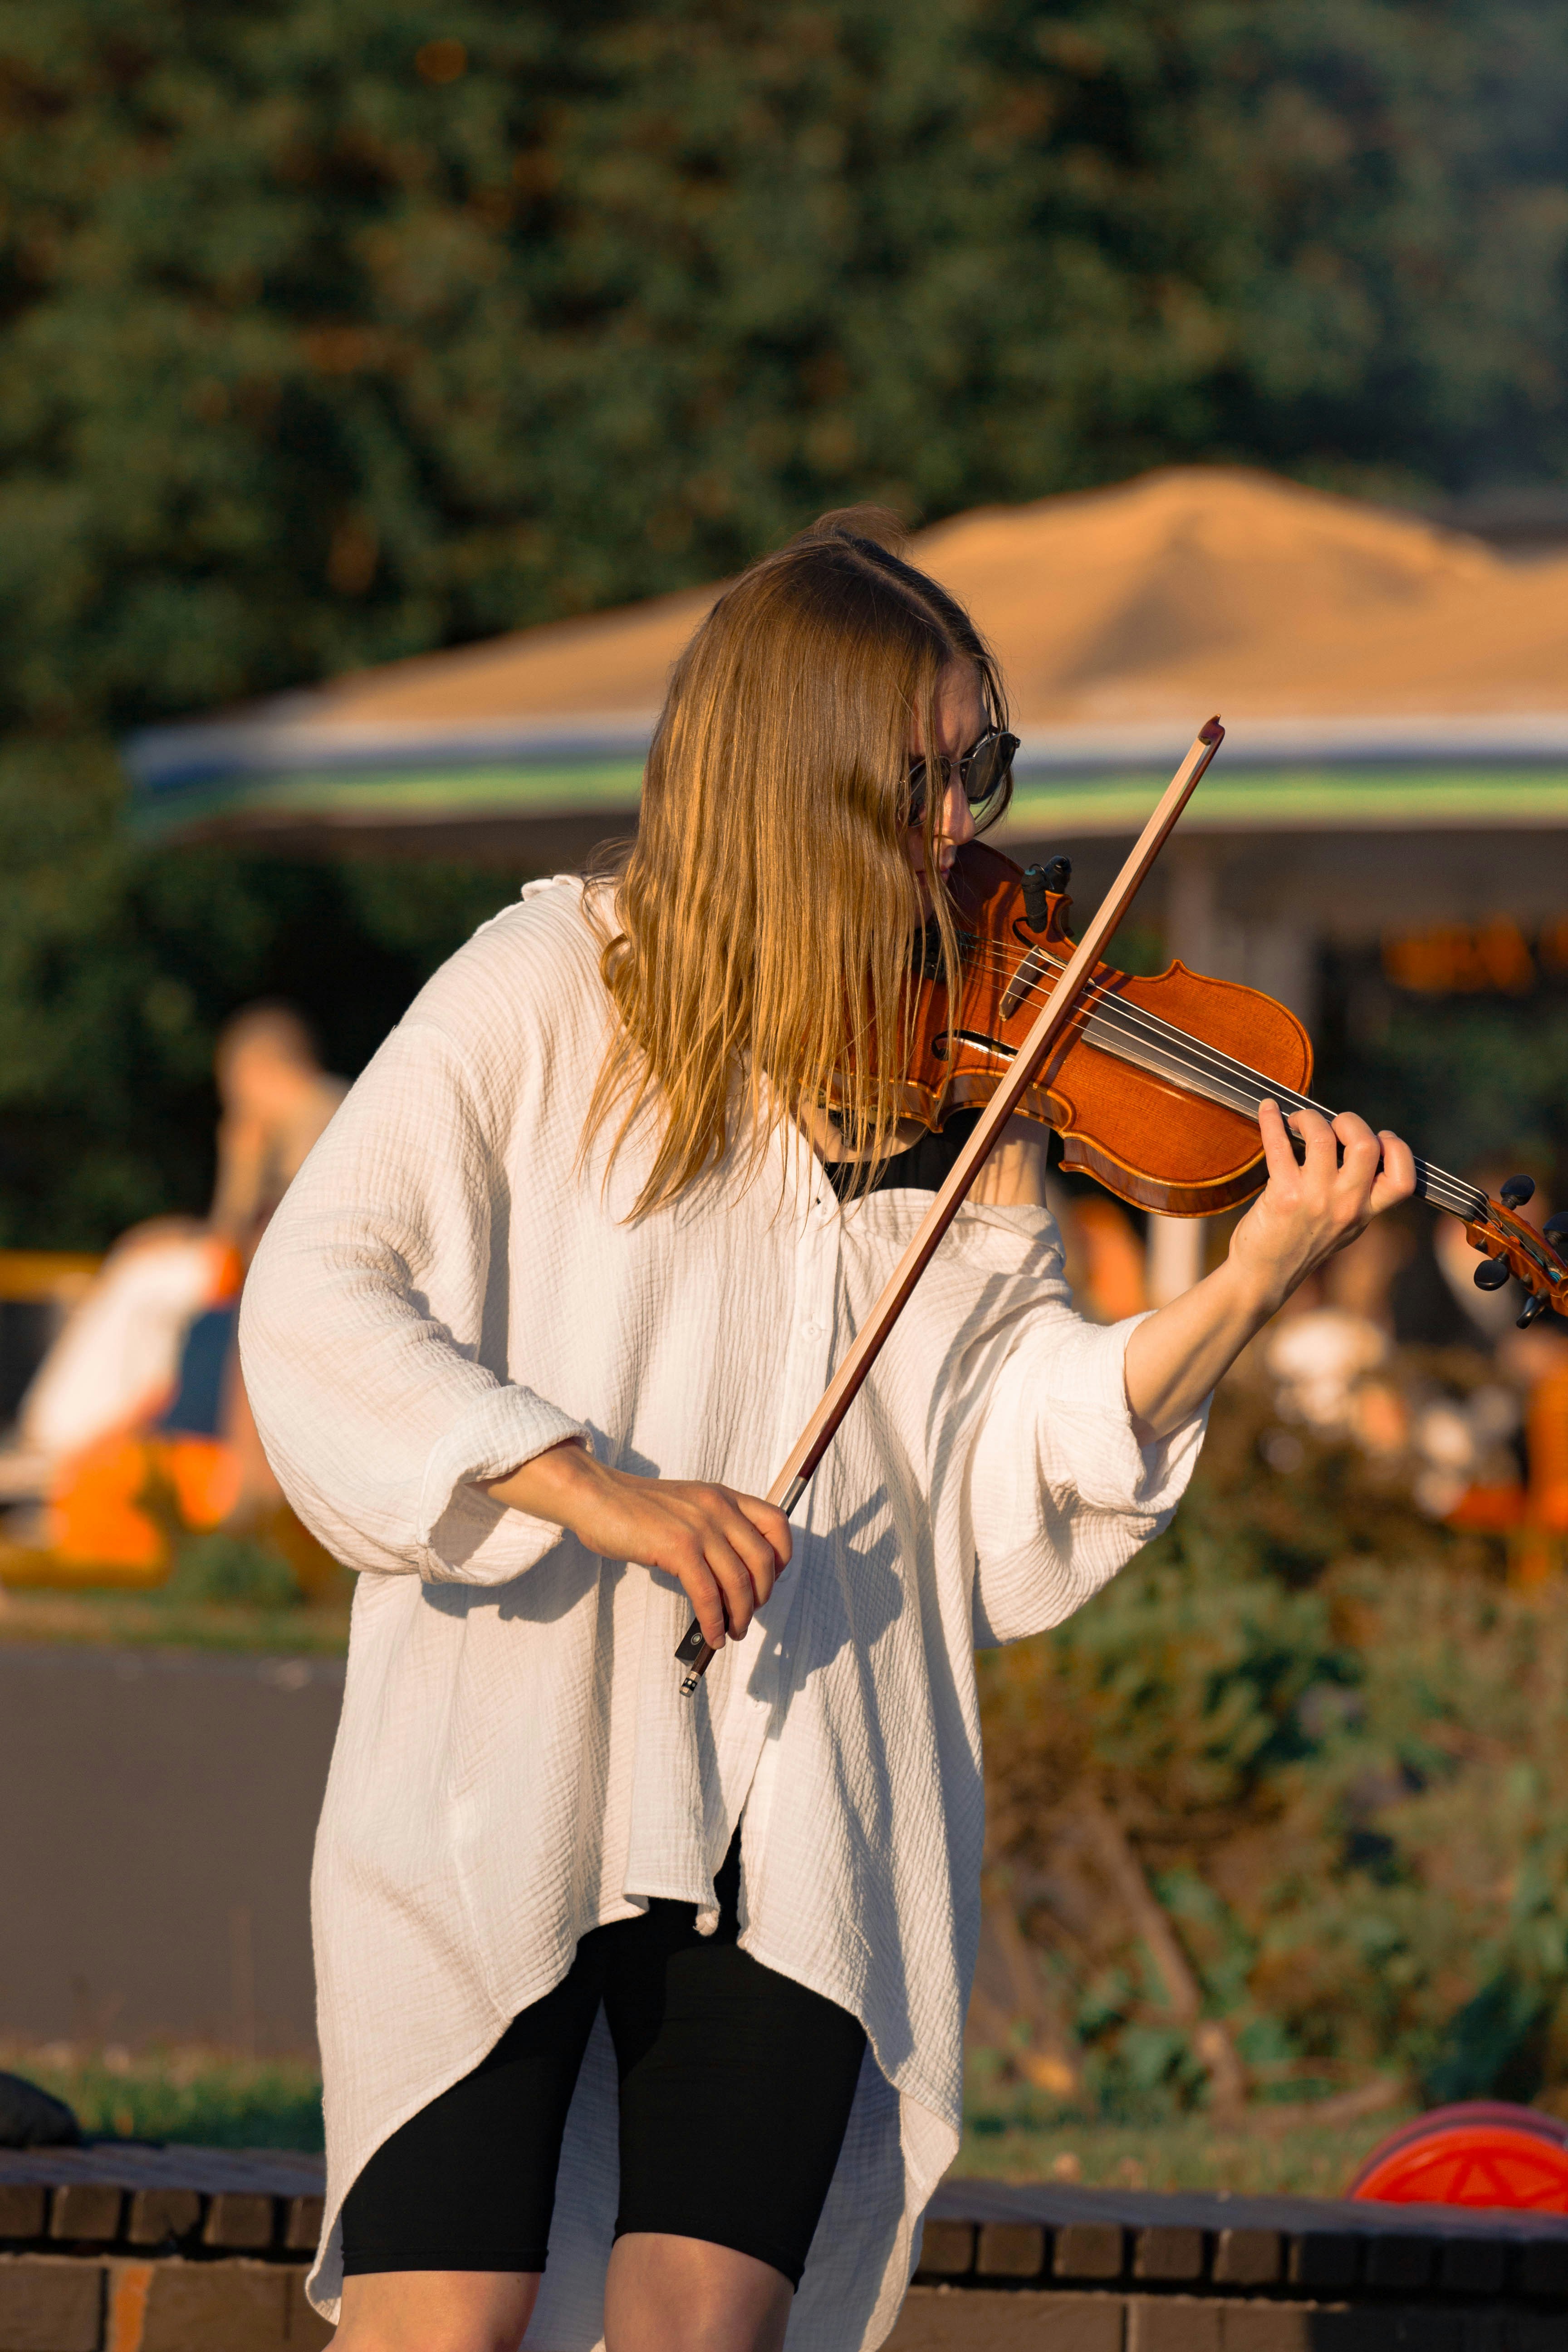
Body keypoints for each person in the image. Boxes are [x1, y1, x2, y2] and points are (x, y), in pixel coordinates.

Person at [238, 511, 1415, 2352]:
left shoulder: (976, 1082)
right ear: (789, 774)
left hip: (804, 1791)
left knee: (705, 2333)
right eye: (924, 776)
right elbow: (318, 1293)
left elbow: (1015, 1442)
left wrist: (1251, 1276)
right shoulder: (551, 989)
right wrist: (591, 1486)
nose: (969, 829)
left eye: (984, 770)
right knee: (437, 2328)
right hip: (510, 1760)